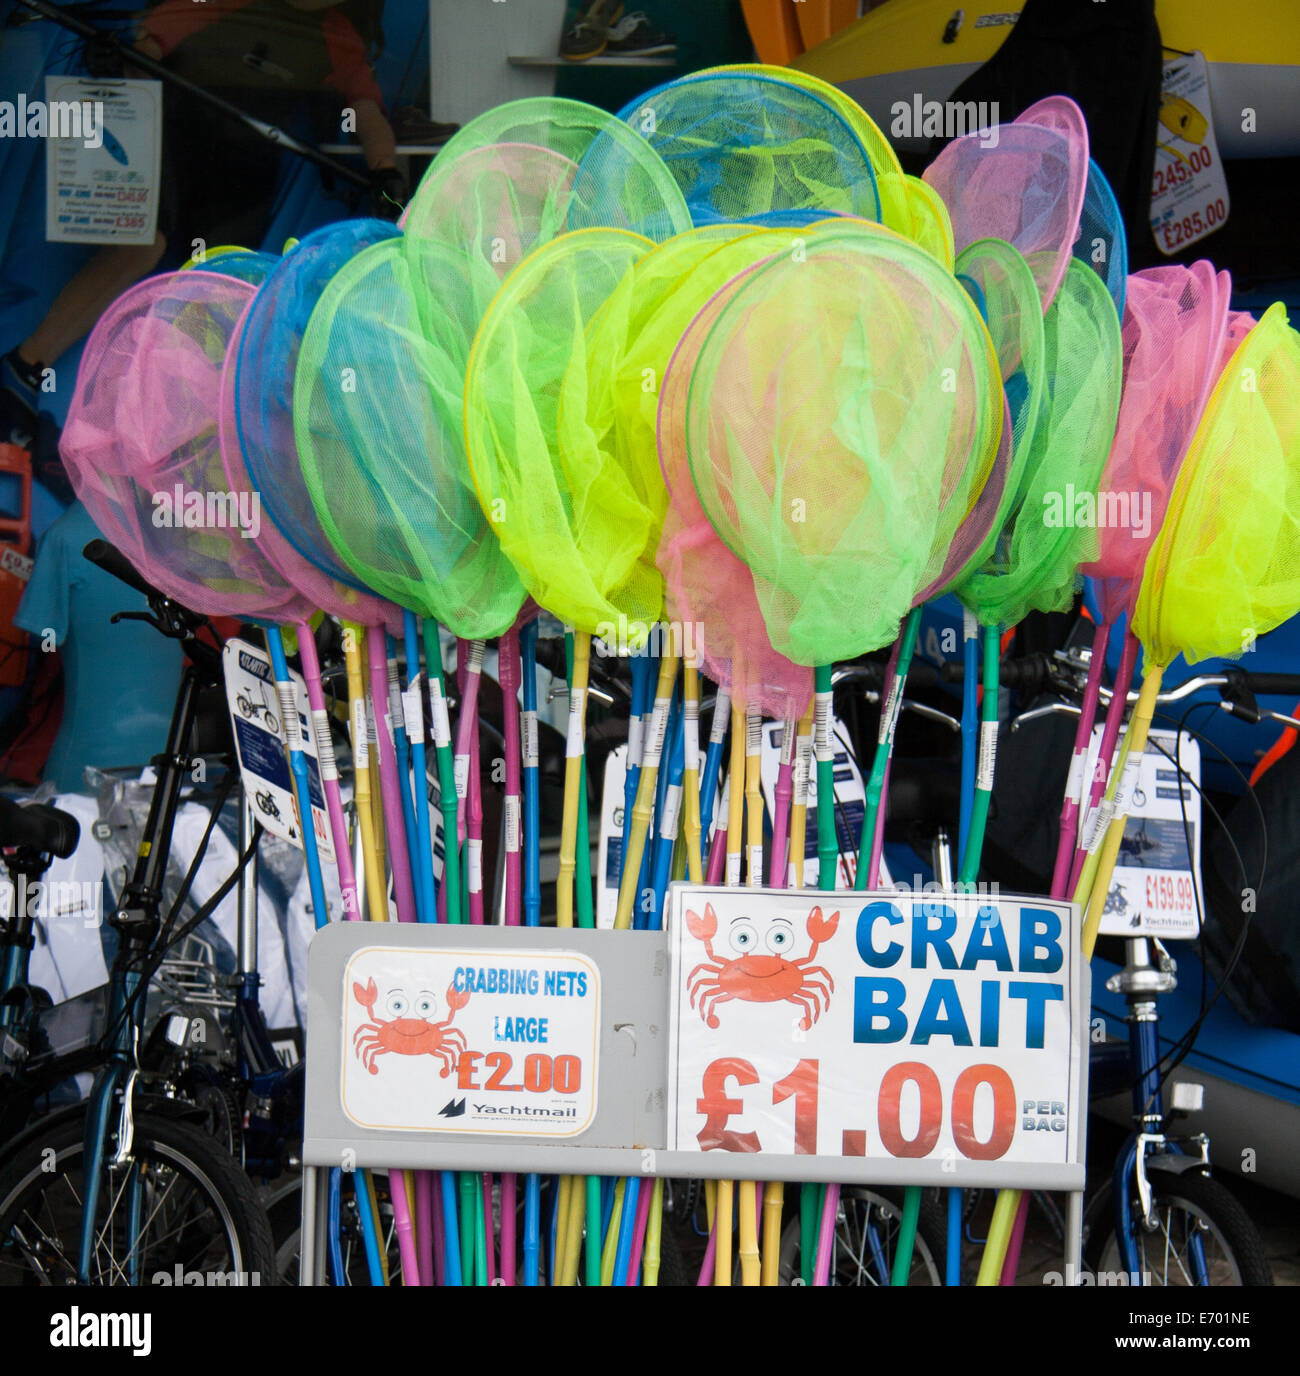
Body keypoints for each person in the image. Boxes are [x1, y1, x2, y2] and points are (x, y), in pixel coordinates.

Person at [1, 0, 402, 456]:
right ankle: (24, 368)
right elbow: (147, 46)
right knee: (143, 245)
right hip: (177, 140)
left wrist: (386, 173)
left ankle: (161, 433)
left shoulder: (336, 36)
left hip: (244, 177)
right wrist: (122, 66)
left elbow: (366, 112)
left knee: (215, 288)